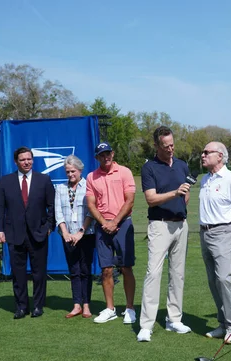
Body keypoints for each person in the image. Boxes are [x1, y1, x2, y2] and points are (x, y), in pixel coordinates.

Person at [136, 126, 193, 342]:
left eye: (172, 144)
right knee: (153, 274)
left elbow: (186, 194)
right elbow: (150, 199)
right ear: (156, 146)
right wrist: (175, 193)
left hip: (181, 225)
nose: (171, 149)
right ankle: (146, 325)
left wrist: (182, 197)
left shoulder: (182, 165)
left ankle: (174, 319)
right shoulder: (149, 168)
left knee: (177, 274)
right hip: (159, 226)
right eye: (166, 145)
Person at [0, 147, 56, 319]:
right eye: (22, 160)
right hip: (14, 234)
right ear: (16, 162)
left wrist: (49, 226)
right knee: (18, 273)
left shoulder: (44, 180)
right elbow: (0, 208)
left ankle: (38, 306)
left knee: (39, 273)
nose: (26, 162)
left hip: (38, 234)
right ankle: (21, 307)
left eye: (29, 159)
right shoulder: (5, 182)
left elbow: (52, 206)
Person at [199, 141, 231, 344]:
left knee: (224, 279)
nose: (202, 155)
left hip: (223, 231)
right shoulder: (204, 179)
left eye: (206, 152)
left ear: (220, 156)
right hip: (204, 233)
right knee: (212, 280)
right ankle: (222, 323)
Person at [86, 142, 137, 324]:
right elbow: (91, 204)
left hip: (122, 224)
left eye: (108, 154)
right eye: (102, 155)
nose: (105, 157)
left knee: (126, 267)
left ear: (113, 154)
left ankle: (130, 308)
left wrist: (115, 222)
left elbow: (130, 200)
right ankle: (110, 308)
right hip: (102, 227)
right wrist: (104, 223)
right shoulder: (92, 177)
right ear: (97, 157)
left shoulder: (124, 172)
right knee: (106, 269)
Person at [55, 155, 96, 319]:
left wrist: (81, 231)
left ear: (80, 170)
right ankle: (76, 305)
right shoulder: (60, 188)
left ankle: (86, 305)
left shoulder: (88, 186)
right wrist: (65, 232)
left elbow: (91, 211)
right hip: (67, 236)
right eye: (67, 171)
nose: (70, 174)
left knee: (85, 270)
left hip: (86, 234)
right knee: (74, 271)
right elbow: (58, 212)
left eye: (73, 171)